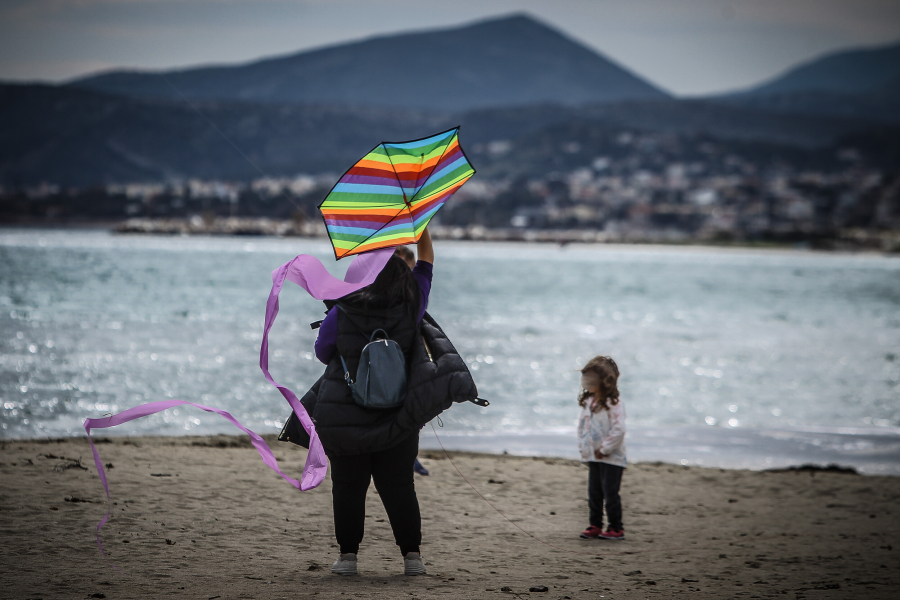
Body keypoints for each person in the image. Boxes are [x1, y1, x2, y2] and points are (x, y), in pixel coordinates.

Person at [312, 228, 435, 576]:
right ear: (402, 278)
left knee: (349, 486)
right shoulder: (411, 306)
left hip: (344, 413)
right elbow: (425, 265)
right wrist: (420, 225)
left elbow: (323, 353)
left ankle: (348, 558)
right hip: (399, 415)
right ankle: (413, 559)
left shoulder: (343, 311)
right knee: (398, 486)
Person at [576, 356, 627, 540]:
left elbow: (619, 429)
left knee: (610, 492)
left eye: (592, 378)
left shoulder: (613, 403)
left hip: (612, 457)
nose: (587, 382)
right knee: (594, 492)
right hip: (593, 456)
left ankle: (616, 527)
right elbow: (583, 427)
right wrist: (585, 449)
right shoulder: (589, 402)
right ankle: (595, 525)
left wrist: (604, 449)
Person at [393, 244, 430, 477]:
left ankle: (411, 456)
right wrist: (421, 223)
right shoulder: (415, 297)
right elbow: (427, 263)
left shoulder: (414, 297)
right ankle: (409, 456)